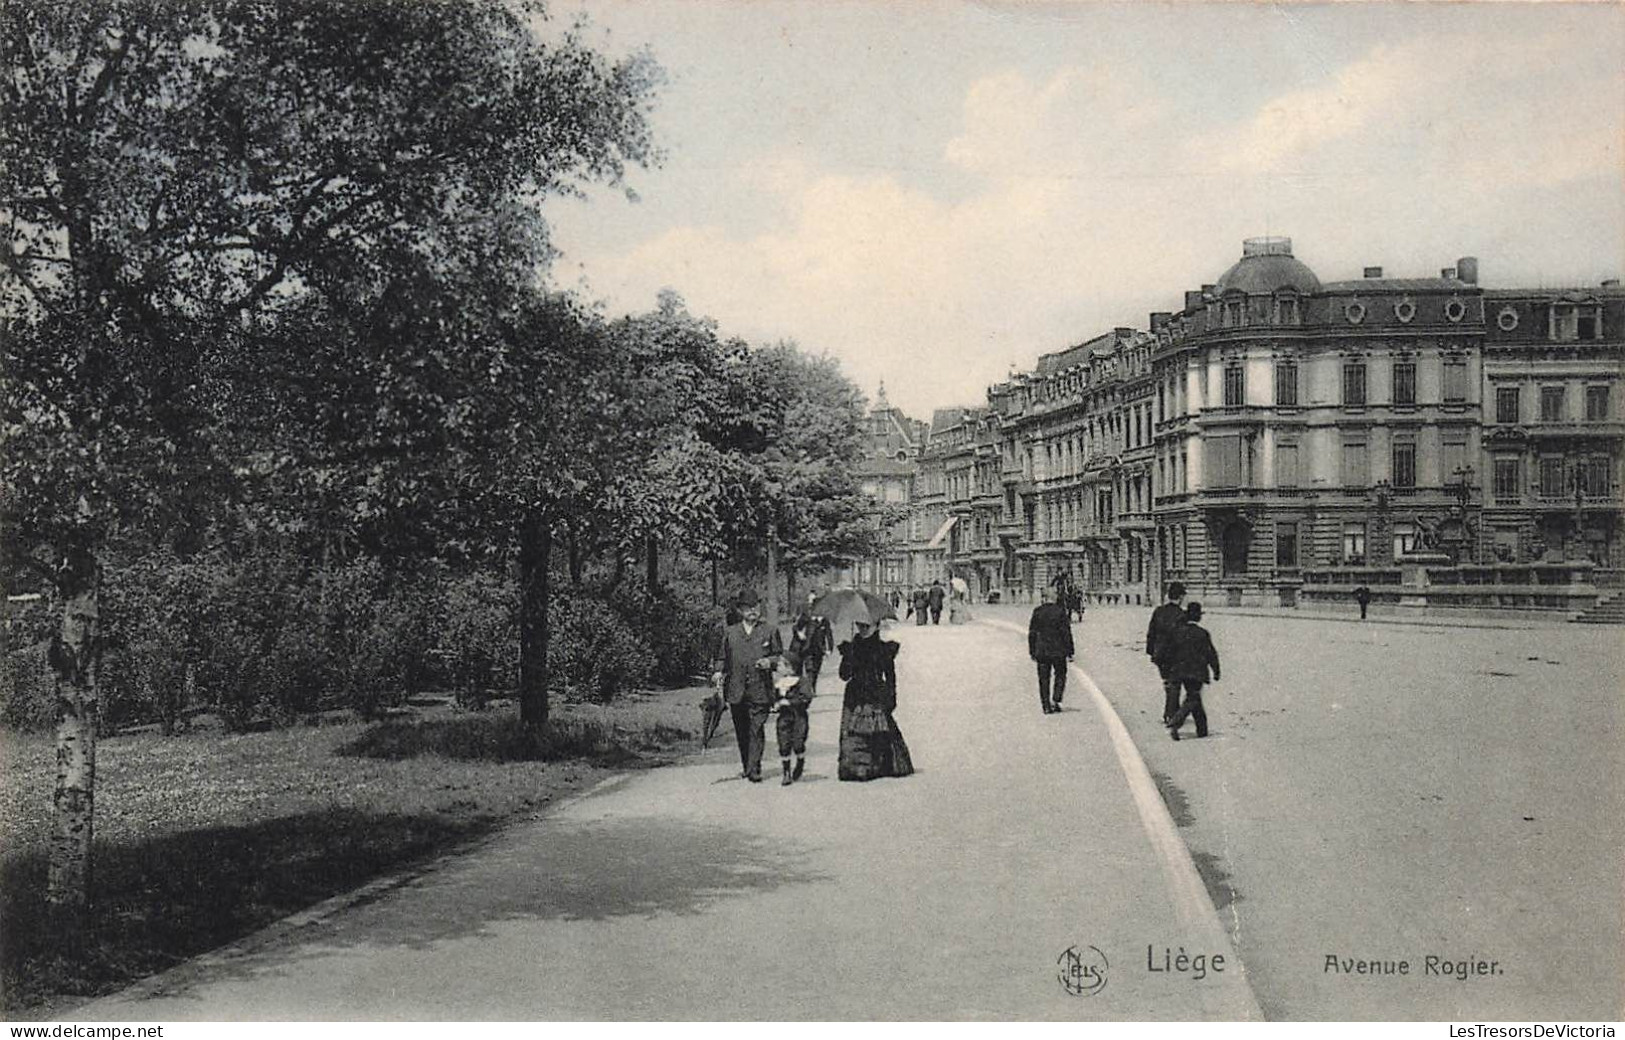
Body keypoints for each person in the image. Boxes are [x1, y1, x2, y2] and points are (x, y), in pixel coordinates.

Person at [710, 592, 783, 782]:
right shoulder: (731, 632)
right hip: (736, 689)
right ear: (740, 610)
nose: (753, 611)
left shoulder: (769, 630)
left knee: (756, 729)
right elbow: (721, 657)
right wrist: (718, 672)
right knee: (742, 730)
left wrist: (770, 661)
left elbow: (779, 657)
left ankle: (754, 768)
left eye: (756, 607)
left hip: (760, 690)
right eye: (749, 608)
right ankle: (747, 765)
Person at [836, 619, 913, 781]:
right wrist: (848, 656)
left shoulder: (883, 649)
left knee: (879, 730)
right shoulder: (852, 647)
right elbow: (844, 676)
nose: (862, 629)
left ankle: (878, 766)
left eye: (867, 626)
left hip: (875, 693)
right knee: (851, 730)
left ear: (876, 626)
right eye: (859, 625)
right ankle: (855, 767)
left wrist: (891, 697)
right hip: (854, 695)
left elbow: (891, 676)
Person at [1166, 603, 1221, 741]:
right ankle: (1176, 722)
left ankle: (1202, 729)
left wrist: (1167, 669)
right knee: (1193, 698)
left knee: (1195, 699)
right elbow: (1211, 654)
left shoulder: (1176, 631)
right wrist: (1216, 670)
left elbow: (1168, 652)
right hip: (1196, 672)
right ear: (1198, 617)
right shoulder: (1202, 633)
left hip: (1178, 670)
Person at [1145, 581, 1188, 726]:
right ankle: (1170, 713)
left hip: (1160, 655)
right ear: (1180, 597)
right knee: (1174, 683)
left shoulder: (1158, 611)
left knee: (1168, 683)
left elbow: (1151, 633)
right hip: (1175, 655)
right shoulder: (1181, 614)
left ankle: (1171, 711)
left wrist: (1151, 652)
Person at [1028, 586, 1075, 714]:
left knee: (1043, 679)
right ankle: (1056, 699)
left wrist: (1032, 651)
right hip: (1058, 651)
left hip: (1042, 651)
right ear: (1053, 597)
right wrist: (1070, 651)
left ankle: (1046, 706)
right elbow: (1066, 633)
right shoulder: (1060, 612)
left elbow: (1032, 633)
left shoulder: (1037, 611)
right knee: (1060, 675)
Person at [771, 651, 812, 785]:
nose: (778, 667)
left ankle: (800, 761)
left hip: (799, 716)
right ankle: (786, 773)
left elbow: (806, 698)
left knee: (798, 743)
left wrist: (790, 702)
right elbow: (775, 698)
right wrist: (775, 705)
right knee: (784, 744)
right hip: (784, 717)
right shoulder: (779, 682)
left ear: (791, 667)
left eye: (781, 665)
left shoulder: (801, 681)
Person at [789, 592, 834, 693]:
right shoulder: (807, 617)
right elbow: (796, 627)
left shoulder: (825, 621)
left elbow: (829, 635)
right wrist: (799, 633)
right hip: (807, 648)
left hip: (819, 649)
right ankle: (808, 689)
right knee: (810, 668)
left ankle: (813, 686)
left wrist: (829, 649)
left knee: (816, 669)